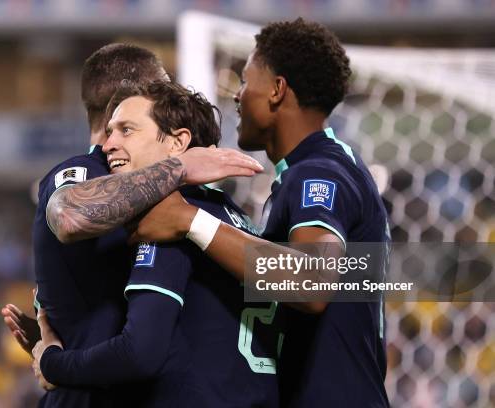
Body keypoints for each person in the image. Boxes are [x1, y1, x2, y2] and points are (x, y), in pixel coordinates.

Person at [129, 19, 391, 407]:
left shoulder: (318, 172)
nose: (237, 95)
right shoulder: (329, 166)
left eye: (246, 80)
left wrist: (192, 221)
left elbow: (311, 282)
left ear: (276, 91)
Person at [0, 44, 263, 408]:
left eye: (127, 130)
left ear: (178, 139)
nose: (112, 145)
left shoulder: (173, 211)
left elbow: (142, 351)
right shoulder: (231, 215)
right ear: (129, 96)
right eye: (117, 128)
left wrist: (54, 361)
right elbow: (321, 283)